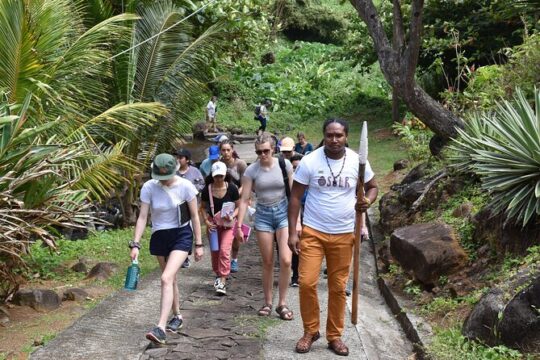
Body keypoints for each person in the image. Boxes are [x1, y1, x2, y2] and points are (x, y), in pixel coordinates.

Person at [287, 119, 378, 356]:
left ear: (346, 136)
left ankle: (334, 335)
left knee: (338, 287)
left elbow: (373, 187)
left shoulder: (358, 162)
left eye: (339, 135)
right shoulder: (310, 160)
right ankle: (310, 330)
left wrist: (367, 201)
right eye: (329, 135)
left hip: (345, 232)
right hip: (313, 232)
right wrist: (292, 232)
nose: (334, 140)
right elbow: (295, 197)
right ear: (324, 136)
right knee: (306, 282)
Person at [130, 153, 203, 345]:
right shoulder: (149, 187)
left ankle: (160, 327)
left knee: (165, 278)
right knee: (170, 279)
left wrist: (199, 243)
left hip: (181, 234)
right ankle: (177, 315)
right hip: (159, 236)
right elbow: (143, 217)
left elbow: (195, 216)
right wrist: (136, 243)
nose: (162, 181)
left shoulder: (186, 186)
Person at [236, 133, 295, 321]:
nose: (263, 155)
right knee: (268, 261)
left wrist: (298, 222)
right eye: (259, 152)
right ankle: (268, 301)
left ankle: (282, 302)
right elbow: (245, 199)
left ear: (274, 150)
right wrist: (239, 224)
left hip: (283, 212)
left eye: (266, 151)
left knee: (286, 259)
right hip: (263, 215)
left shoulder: (284, 165)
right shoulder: (251, 171)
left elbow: (294, 196)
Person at [199, 162, 241, 295]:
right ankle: (218, 275)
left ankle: (223, 278)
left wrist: (232, 215)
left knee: (224, 250)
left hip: (228, 225)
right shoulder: (207, 189)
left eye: (221, 176)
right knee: (215, 252)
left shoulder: (232, 188)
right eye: (216, 176)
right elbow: (202, 207)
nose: (218, 179)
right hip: (213, 225)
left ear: (225, 175)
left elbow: (239, 206)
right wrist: (206, 220)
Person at [219, 139, 247, 273]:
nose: (226, 153)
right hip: (222, 201)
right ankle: (223, 258)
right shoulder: (218, 164)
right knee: (222, 229)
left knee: (235, 231)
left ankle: (234, 259)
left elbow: (245, 184)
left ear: (232, 150)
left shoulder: (240, 164)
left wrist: (234, 192)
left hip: (237, 201)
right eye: (223, 150)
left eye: (228, 150)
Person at [175, 148, 205, 269]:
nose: (178, 160)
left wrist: (191, 191)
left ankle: (186, 255)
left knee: (189, 230)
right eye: (177, 157)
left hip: (191, 206)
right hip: (176, 207)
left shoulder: (195, 172)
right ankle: (181, 255)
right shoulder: (174, 172)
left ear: (187, 160)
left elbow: (201, 184)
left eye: (180, 157)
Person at [288, 154, 305, 288]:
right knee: (295, 242)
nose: (296, 171)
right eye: (294, 168)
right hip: (292, 211)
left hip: (309, 211)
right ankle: (295, 274)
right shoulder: (288, 180)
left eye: (299, 167)